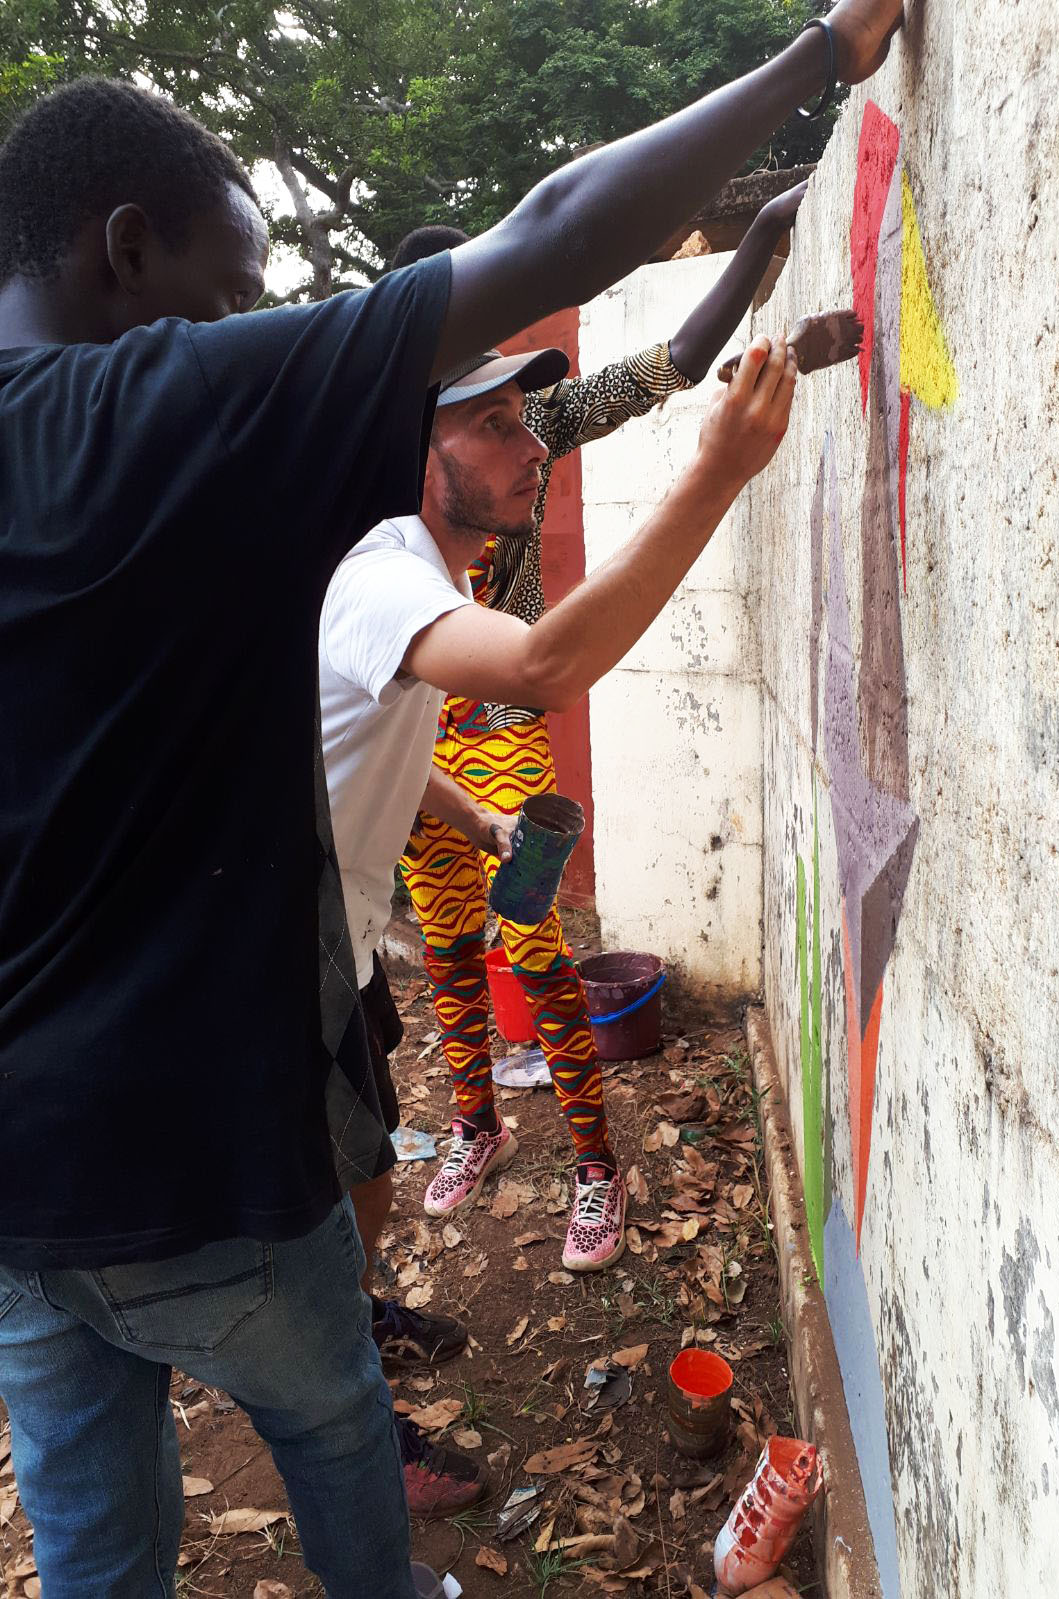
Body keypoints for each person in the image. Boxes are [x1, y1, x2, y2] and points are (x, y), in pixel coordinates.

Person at [0, 5, 906, 1594]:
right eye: (227, 295)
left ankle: (426, 1204)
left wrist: (766, 267)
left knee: (96, 1524)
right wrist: (825, 52)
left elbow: (650, 368)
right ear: (123, 250)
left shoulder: (283, 493)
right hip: (186, 1134)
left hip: (31, 1161)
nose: (517, 423)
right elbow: (544, 648)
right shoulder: (297, 510)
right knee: (336, 1412)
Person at [388, 196, 859, 1269]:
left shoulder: (529, 418)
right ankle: (477, 1123)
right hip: (416, 712)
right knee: (450, 941)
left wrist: (756, 242)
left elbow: (675, 361)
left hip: (502, 710)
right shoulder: (374, 443)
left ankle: (595, 1165)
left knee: (529, 937)